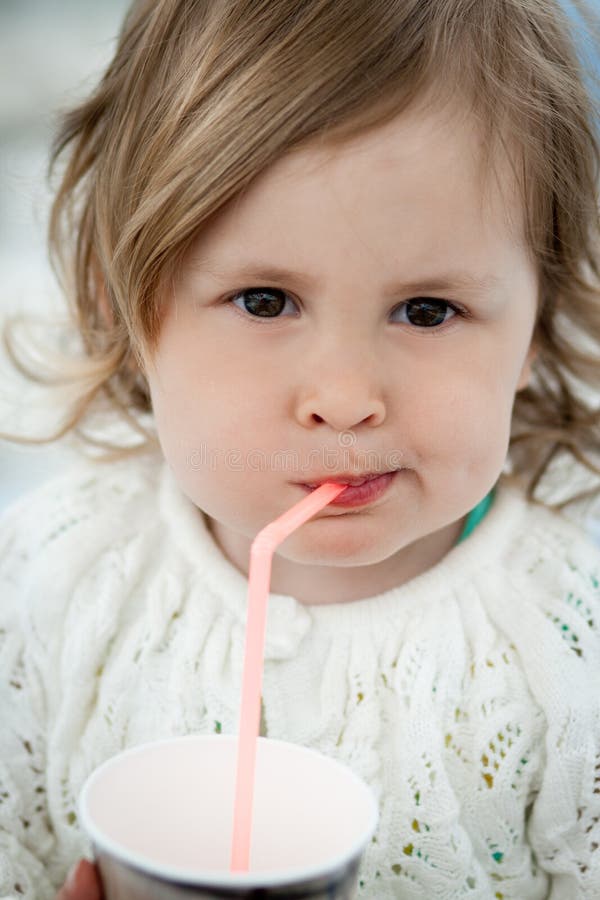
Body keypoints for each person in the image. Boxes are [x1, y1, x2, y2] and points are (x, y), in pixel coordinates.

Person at [1, 0, 600, 897]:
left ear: (535, 326)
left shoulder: (567, 646)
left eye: (428, 311)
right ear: (118, 301)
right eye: (266, 300)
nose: (347, 399)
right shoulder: (49, 579)